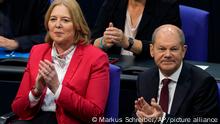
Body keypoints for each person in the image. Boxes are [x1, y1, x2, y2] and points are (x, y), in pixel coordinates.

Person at [11, 0, 110, 123]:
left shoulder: (96, 58)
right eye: (53, 19)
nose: (57, 25)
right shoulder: (37, 52)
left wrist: (57, 88)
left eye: (65, 20)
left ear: (77, 25)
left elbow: (95, 114)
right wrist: (36, 92)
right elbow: (18, 109)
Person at [134, 24, 218, 123]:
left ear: (183, 51)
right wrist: (142, 118)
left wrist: (163, 119)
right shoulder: (144, 78)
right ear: (152, 50)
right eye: (162, 49)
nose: (167, 55)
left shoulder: (203, 83)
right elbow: (134, 117)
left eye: (174, 49)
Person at [91, 0, 181, 60]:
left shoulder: (167, 5)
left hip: (149, 70)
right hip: (115, 68)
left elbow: (169, 48)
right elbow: (91, 41)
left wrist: (128, 43)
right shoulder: (113, 2)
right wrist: (103, 42)